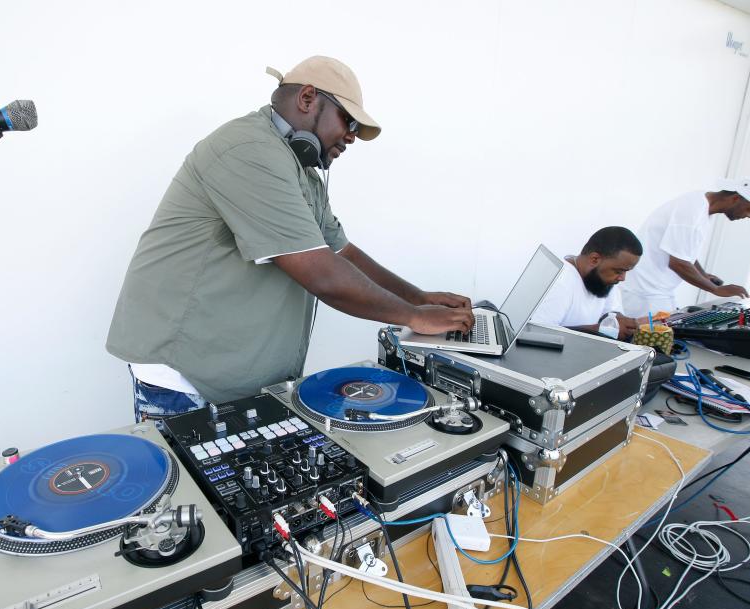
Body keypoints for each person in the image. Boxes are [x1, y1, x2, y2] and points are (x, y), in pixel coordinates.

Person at [106, 56, 474, 419]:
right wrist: (413, 316)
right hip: (184, 372)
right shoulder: (248, 150)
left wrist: (418, 297)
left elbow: (340, 253)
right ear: (308, 98)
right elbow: (322, 274)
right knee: (201, 480)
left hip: (227, 366)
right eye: (348, 121)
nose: (351, 136)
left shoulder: (301, 173)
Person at [621, 177, 750, 317]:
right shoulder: (692, 214)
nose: (749, 216)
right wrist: (716, 290)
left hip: (654, 291)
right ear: (735, 198)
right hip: (645, 295)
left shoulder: (698, 203)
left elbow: (685, 253)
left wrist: (703, 275)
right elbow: (678, 263)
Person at [531, 227, 642, 340]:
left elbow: (610, 311)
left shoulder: (601, 278)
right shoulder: (560, 282)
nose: (623, 278)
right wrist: (597, 331)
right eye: (619, 271)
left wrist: (620, 321)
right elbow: (536, 333)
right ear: (594, 259)